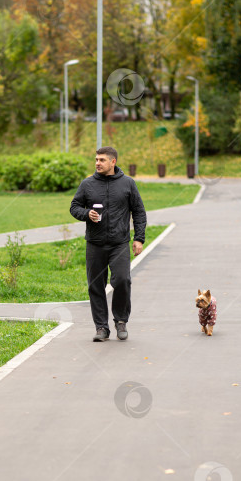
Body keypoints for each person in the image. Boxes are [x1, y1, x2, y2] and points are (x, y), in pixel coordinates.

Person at [70, 146, 147, 342]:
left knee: (122, 280)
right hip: (94, 244)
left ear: (113, 162)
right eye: (96, 159)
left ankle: (121, 321)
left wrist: (139, 238)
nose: (97, 163)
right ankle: (101, 328)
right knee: (96, 285)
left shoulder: (128, 183)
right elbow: (75, 207)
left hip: (119, 243)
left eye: (102, 160)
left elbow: (138, 211)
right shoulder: (87, 184)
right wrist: (86, 214)